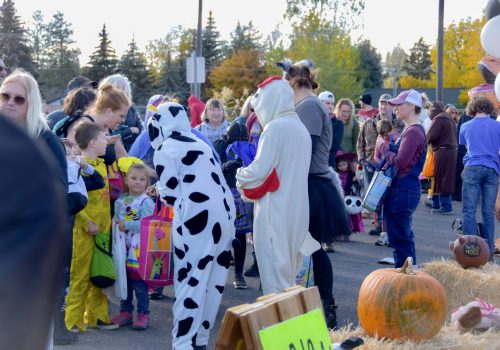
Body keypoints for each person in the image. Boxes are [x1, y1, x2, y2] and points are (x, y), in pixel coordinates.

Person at [149, 102, 235, 350]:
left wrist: (162, 193)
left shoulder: (165, 148)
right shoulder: (201, 143)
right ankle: (201, 341)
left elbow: (171, 194)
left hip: (198, 217)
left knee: (191, 280)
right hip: (225, 216)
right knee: (215, 281)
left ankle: (184, 343)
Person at [0, 69, 70, 344]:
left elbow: (59, 191)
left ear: (31, 103)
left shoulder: (45, 139)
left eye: (19, 99)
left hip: (30, 246)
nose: (10, 103)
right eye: (5, 96)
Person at [280, 59, 351, 329]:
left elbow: (301, 148)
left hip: (312, 185)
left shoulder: (309, 105)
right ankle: (318, 306)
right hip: (308, 182)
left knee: (311, 248)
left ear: (294, 82)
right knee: (307, 248)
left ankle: (326, 307)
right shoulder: (306, 104)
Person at [65, 121, 118, 332]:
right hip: (85, 231)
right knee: (80, 276)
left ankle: (97, 316)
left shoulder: (102, 165)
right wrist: (87, 222)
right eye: (104, 138)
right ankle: (72, 320)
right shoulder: (79, 167)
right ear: (93, 142)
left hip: (103, 231)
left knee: (99, 274)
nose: (107, 142)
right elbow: (75, 200)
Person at [382, 89, 427, 268]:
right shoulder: (412, 130)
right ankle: (409, 274)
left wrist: (385, 150)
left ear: (411, 106)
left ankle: (406, 278)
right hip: (406, 188)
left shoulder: (413, 132)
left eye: (399, 105)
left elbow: (400, 163)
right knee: (403, 235)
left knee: (400, 237)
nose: (395, 108)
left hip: (403, 188)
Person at [111, 162, 155, 330]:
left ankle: (144, 313)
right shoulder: (120, 201)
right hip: (123, 248)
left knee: (140, 284)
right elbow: (116, 218)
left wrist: (126, 225)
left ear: (147, 183)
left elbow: (147, 225)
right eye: (133, 178)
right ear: (126, 180)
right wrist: (115, 223)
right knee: (125, 281)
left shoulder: (146, 202)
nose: (137, 182)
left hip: (139, 250)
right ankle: (125, 311)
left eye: (142, 179)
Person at [459, 96, 500, 257]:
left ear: (472, 109)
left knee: (469, 210)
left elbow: (466, 147)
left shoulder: (465, 126)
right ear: (488, 108)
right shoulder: (498, 126)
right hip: (492, 168)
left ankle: (472, 251)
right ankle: (488, 251)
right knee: (488, 211)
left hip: (472, 167)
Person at [214, 123, 253, 289]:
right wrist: (223, 167)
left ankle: (238, 273)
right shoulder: (219, 146)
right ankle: (216, 274)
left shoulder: (250, 148)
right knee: (219, 234)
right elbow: (211, 167)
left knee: (240, 234)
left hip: (240, 194)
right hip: (221, 194)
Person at [357, 93, 394, 236]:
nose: (384, 106)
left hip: (391, 166)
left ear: (392, 106)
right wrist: (361, 159)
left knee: (390, 198)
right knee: (375, 197)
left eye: (387, 103)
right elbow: (360, 143)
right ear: (378, 105)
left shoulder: (398, 125)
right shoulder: (368, 123)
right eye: (381, 103)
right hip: (371, 164)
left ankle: (389, 227)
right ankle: (379, 224)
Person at [426, 101, 458, 215]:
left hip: (443, 151)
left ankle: (446, 205)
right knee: (443, 177)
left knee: (442, 178)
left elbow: (431, 136)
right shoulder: (447, 117)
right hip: (450, 151)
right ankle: (438, 203)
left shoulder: (439, 118)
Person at [99, 74, 142, 152]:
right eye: (117, 89)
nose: (120, 94)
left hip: (132, 149)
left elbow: (140, 130)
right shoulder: (102, 110)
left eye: (123, 90)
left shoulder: (131, 109)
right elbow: (106, 137)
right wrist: (129, 131)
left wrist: (125, 133)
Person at [336, 152, 364, 234]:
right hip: (340, 195)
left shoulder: (351, 173)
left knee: (349, 213)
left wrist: (355, 181)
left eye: (344, 164)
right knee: (341, 213)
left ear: (347, 163)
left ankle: (349, 227)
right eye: (340, 166)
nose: (342, 167)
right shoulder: (337, 174)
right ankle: (340, 228)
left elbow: (357, 186)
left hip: (349, 195)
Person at [318, 91, 344, 167]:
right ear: (320, 103)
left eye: (332, 103)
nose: (330, 106)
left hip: (329, 163)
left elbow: (334, 145)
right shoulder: (314, 120)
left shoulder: (338, 123)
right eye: (327, 103)